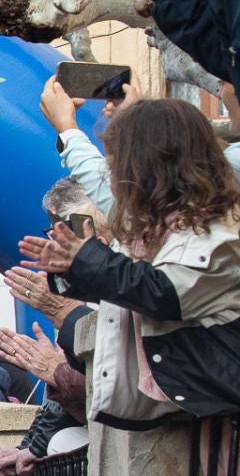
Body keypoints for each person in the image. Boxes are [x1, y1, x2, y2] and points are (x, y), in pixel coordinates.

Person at [22, 95, 240, 425]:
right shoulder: (159, 226)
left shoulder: (216, 228)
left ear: (147, 169)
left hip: (216, 417)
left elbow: (160, 292)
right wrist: (69, 268)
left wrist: (84, 259)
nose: (109, 177)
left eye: (115, 165)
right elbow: (124, 283)